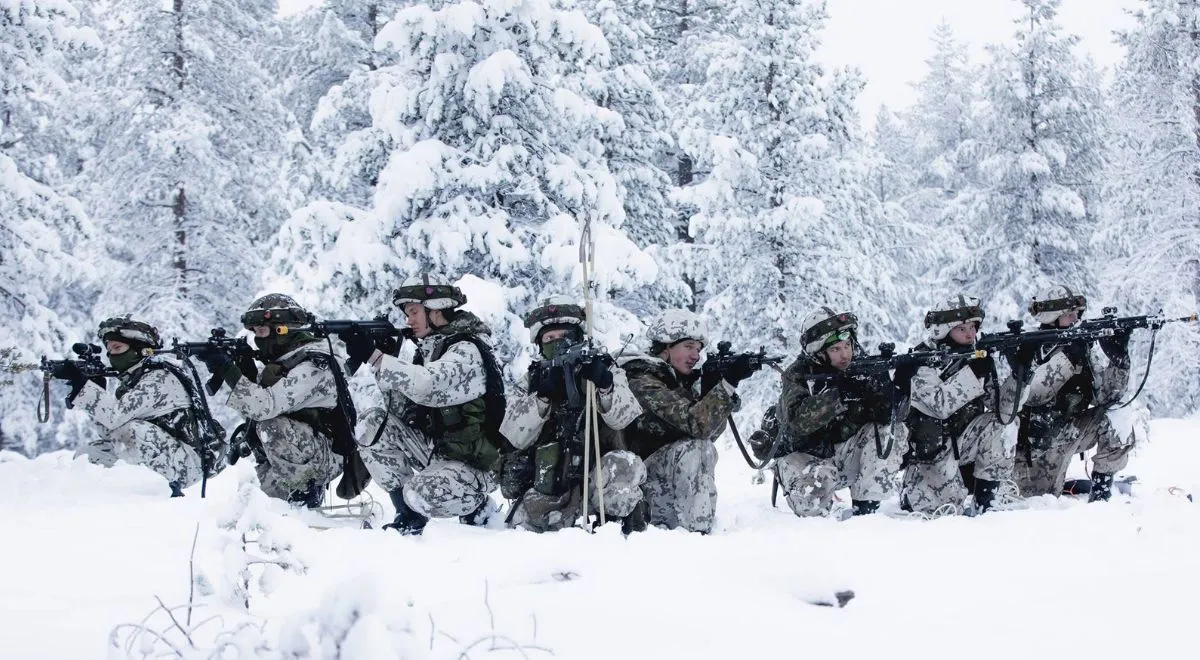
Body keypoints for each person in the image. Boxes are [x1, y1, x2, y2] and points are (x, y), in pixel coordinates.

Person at [340, 274, 510, 535]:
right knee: (371, 424)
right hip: (438, 453)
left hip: (475, 464)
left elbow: (426, 386)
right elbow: (400, 412)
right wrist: (388, 358)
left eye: (414, 311)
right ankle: (408, 517)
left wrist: (376, 358)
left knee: (421, 493)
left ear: (437, 309)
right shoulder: (432, 350)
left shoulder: (467, 350)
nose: (408, 320)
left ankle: (478, 507)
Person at [499, 296, 647, 533]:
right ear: (540, 344)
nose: (558, 343)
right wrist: (542, 397)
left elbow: (625, 417)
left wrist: (605, 386)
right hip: (548, 488)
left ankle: (613, 531)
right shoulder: (530, 381)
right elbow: (514, 435)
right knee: (522, 538)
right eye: (549, 338)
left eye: (565, 336)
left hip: (599, 483)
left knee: (623, 465)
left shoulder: (604, 369)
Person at [198, 294, 361, 508]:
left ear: (283, 330)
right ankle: (286, 506)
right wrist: (243, 369)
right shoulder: (282, 363)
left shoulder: (315, 364)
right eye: (254, 332)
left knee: (271, 426)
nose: (258, 339)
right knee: (265, 504)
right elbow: (251, 412)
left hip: (327, 456)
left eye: (262, 331)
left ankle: (305, 496)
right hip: (294, 454)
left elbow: (264, 407)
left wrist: (228, 370)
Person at [766, 307, 909, 518]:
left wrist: (891, 386)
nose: (845, 354)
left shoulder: (859, 367)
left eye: (848, 346)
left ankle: (868, 511)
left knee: (891, 431)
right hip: (802, 458)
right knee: (812, 505)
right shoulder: (797, 375)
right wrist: (838, 395)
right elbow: (797, 422)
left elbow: (888, 417)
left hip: (841, 456)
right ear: (819, 353)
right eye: (835, 350)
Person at [619, 309, 752, 534]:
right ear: (665, 347)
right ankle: (697, 532)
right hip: (639, 493)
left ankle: (697, 525)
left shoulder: (678, 381)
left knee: (703, 448)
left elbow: (710, 433)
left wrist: (712, 390)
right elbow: (697, 426)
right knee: (696, 447)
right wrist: (726, 386)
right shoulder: (640, 379)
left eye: (698, 349)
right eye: (688, 346)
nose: (696, 356)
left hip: (665, 490)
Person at [898, 295, 1028, 515]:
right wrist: (974, 372)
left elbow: (1003, 411)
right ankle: (910, 492)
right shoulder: (921, 361)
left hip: (965, 443)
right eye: (962, 329)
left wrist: (1021, 374)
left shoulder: (975, 357)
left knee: (1005, 425)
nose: (970, 334)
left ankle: (988, 500)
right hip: (932, 453)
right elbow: (938, 405)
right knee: (945, 515)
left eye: (973, 327)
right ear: (943, 330)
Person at [66, 316, 212, 497]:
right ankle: (96, 498)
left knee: (133, 431)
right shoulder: (135, 380)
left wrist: (82, 386)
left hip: (188, 465)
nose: (111, 355)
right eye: (109, 350)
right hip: (166, 457)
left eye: (117, 348)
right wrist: (96, 388)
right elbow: (109, 431)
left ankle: (161, 492)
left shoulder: (160, 378)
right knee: (87, 456)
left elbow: (115, 417)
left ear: (140, 349)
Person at [1012, 285, 1132, 502]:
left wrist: (1119, 360)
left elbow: (1108, 396)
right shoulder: (1030, 347)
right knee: (1036, 504)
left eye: (1077, 314)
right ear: (1051, 317)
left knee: (1116, 416)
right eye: (1068, 315)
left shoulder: (1080, 347)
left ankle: (1101, 494)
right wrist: (1068, 357)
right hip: (1034, 449)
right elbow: (1034, 393)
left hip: (1070, 432)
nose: (1075, 319)